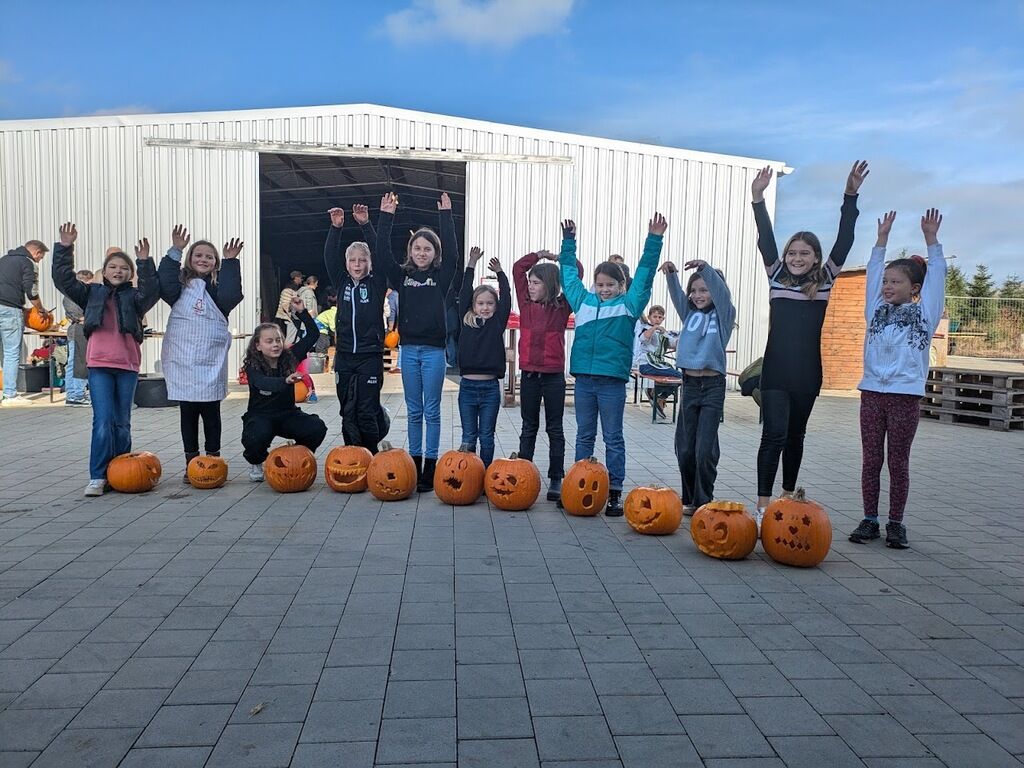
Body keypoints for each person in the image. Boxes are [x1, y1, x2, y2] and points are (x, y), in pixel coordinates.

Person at [751, 161, 869, 527]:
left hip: (807, 373)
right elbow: (765, 237)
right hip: (775, 370)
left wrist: (850, 195)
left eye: (804, 253)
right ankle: (762, 506)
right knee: (772, 435)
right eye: (793, 253)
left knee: (795, 435)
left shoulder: (826, 280)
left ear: (815, 257)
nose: (797, 258)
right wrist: (757, 199)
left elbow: (846, 238)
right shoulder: (775, 276)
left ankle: (787, 498)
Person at [849, 209, 946, 550]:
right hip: (872, 393)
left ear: (915, 288)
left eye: (896, 282)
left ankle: (896, 523)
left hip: (905, 396)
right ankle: (869, 519)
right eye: (886, 282)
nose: (888, 286)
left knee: (898, 461)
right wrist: (881, 240)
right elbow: (873, 273)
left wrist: (932, 241)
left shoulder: (925, 313)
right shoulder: (874, 310)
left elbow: (938, 280)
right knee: (871, 459)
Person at [560, 213, 667, 515]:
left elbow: (645, 274)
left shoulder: (629, 305)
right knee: (584, 435)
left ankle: (615, 491)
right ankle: (578, 486)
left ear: (622, 285)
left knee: (612, 437)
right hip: (585, 381)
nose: (604, 289)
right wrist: (569, 242)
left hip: (611, 383)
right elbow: (568, 275)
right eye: (600, 284)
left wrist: (654, 239)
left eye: (610, 284)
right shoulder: (583, 302)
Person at [51, 223, 159, 496]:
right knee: (102, 421)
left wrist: (145, 262)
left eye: (124, 267)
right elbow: (63, 280)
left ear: (130, 273)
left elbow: (152, 292)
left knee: (122, 421)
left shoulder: (135, 298)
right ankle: (98, 475)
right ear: (104, 271)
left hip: (127, 367)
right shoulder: (91, 293)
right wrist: (65, 248)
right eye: (113, 267)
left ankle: (121, 472)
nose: (118, 271)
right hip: (99, 365)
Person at [376, 191, 460, 492]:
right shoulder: (402, 277)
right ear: (410, 251)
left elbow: (453, 254)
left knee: (432, 410)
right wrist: (386, 217)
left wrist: (446, 218)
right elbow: (382, 255)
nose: (421, 253)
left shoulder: (442, 275)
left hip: (435, 352)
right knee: (413, 409)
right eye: (417, 248)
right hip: (409, 351)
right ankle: (414, 460)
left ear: (434, 253)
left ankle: (431, 465)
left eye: (427, 249)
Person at [157, 225, 244, 481]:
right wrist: (175, 250)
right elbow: (164, 283)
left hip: (209, 357)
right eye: (198, 255)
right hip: (183, 357)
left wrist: (231, 263)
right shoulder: (179, 286)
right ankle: (191, 461)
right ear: (189, 259)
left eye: (209, 257)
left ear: (215, 262)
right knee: (188, 412)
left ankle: (213, 459)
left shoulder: (218, 287)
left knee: (211, 411)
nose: (203, 260)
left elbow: (231, 295)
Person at [663, 259, 736, 514]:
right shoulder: (689, 313)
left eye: (703, 290)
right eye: (693, 291)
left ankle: (703, 500)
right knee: (684, 448)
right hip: (690, 384)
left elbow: (722, 295)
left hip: (713, 386)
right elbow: (677, 297)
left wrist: (705, 268)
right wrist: (672, 275)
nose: (697, 295)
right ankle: (690, 498)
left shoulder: (725, 315)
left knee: (704, 449)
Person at [512, 248, 583, 501]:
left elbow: (577, 272)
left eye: (536, 283)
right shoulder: (525, 304)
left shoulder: (562, 307)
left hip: (553, 377)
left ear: (550, 285)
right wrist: (537, 256)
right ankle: (523, 471)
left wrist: (562, 259)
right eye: (530, 283)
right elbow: (518, 268)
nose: (530, 286)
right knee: (528, 426)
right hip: (529, 375)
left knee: (555, 428)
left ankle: (556, 477)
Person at [323, 203, 390, 453]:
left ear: (370, 262)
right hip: (344, 357)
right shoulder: (342, 283)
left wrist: (365, 224)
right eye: (353, 260)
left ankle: (370, 453)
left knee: (366, 408)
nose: (358, 264)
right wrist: (336, 228)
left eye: (363, 260)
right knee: (346, 407)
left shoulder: (376, 283)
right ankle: (352, 451)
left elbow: (382, 253)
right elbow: (329, 257)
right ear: (347, 263)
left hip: (369, 356)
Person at [241, 303, 327, 481]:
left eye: (278, 340)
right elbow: (262, 383)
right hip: (261, 415)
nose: (275, 345)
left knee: (316, 427)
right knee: (255, 436)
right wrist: (285, 381)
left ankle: (298, 455)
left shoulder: (291, 356)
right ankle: (257, 462)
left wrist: (302, 313)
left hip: (287, 414)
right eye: (269, 341)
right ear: (258, 345)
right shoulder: (253, 366)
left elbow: (313, 335)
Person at [457, 248, 511, 468]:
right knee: (469, 436)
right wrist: (471, 263)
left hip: (490, 388)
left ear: (496, 307)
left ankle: (487, 473)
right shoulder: (466, 321)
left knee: (487, 436)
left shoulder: (497, 323)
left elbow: (506, 296)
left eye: (490, 303)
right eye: (481, 303)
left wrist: (500, 273)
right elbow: (463, 292)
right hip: (467, 388)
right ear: (473, 305)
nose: (485, 307)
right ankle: (470, 475)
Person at [0, 237, 50, 405]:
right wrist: (40, 309)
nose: (39, 261)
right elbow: (31, 290)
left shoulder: (4, 260)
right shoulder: (28, 263)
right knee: (11, 352)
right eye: (40, 257)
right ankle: (10, 394)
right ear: (36, 252)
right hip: (10, 310)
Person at [632, 304, 681, 420]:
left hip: (657, 363)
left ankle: (659, 395)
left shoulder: (663, 332)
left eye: (660, 317)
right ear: (649, 317)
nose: (657, 319)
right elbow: (643, 338)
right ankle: (656, 395)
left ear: (663, 319)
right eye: (655, 317)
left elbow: (672, 343)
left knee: (681, 377)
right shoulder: (645, 328)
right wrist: (654, 328)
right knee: (679, 376)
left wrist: (681, 339)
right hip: (646, 364)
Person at [62, 268, 94, 407]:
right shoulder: (71, 295)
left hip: (81, 330)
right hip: (78, 331)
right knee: (78, 363)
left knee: (76, 362)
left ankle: (73, 393)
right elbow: (80, 317)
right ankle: (76, 394)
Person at [275, 271, 302, 337]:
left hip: (294, 317)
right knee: (291, 337)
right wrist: (294, 315)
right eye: (301, 278)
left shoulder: (295, 290)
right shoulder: (287, 290)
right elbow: (285, 305)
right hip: (290, 318)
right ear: (296, 278)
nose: (301, 280)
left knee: (296, 337)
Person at [386, 288, 401, 373]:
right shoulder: (401, 293)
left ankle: (399, 365)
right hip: (408, 322)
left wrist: (390, 328)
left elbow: (392, 312)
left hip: (401, 323)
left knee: (401, 344)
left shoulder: (392, 296)